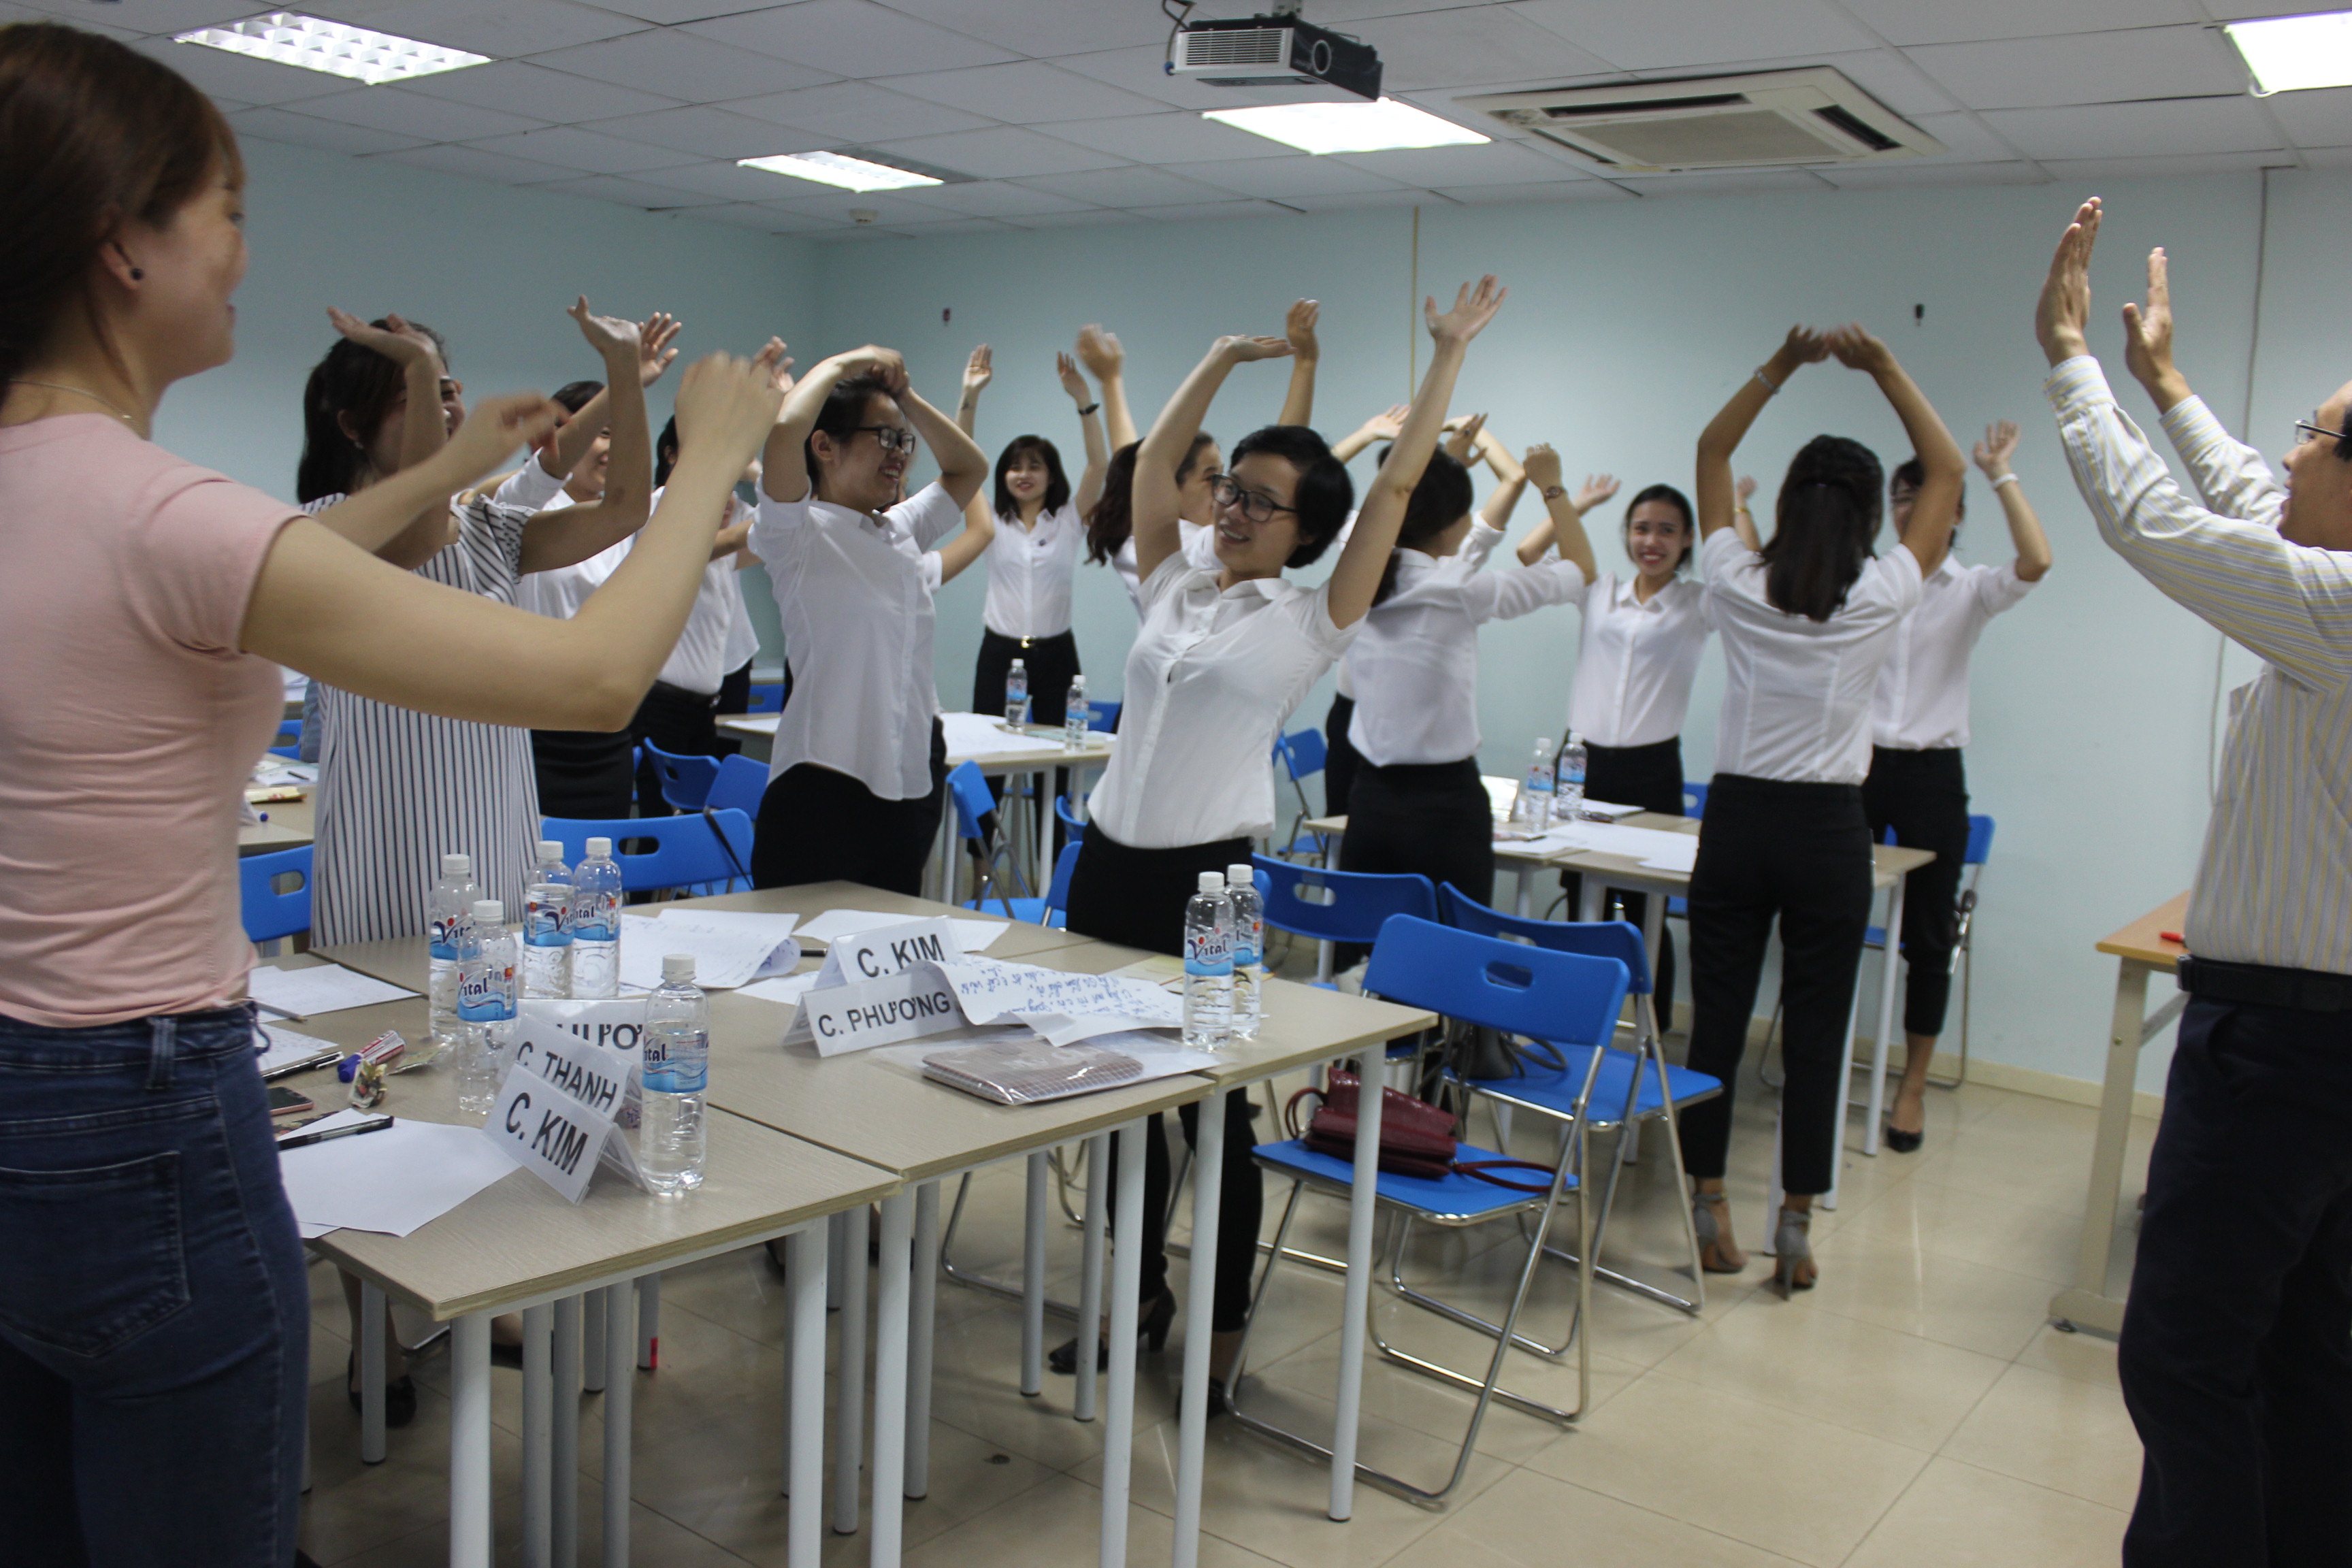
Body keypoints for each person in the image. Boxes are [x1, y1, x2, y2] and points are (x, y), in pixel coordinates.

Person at [0, 22, 783, 1562]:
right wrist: (714, 455)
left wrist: (449, 458)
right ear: (123, 245)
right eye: (226, 211)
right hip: (140, 1095)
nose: (243, 252)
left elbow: (330, 547)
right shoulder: (171, 517)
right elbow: (591, 679)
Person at [1056, 277, 1508, 1401]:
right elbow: (1150, 469)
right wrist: (1218, 357)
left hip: (1210, 888)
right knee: (1109, 1106)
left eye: (1264, 502)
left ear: (1307, 532)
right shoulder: (1172, 584)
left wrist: (1447, 356)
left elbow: (1396, 483)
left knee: (1215, 1114)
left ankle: (1218, 1331)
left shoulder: (1311, 619)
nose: (1235, 510)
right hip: (1105, 872)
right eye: (1232, 490)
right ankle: (1136, 1292)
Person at [2037, 197, 2352, 1568]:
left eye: (2315, 433)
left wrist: (2071, 362)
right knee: (2306, 1350)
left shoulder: (2340, 610)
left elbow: (2160, 526)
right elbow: (2248, 505)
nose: (2288, 451)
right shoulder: (2330, 592)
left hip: (2284, 1050)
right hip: (2318, 1046)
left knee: (2183, 1356)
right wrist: (2165, 382)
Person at [1677, 322, 1963, 1296]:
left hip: (1738, 824)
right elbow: (1948, 471)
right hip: (1830, 831)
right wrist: (1883, 366)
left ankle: (1708, 1204)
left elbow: (1712, 448)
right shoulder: (1882, 592)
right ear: (1870, 516)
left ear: (1788, 503)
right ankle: (1794, 1223)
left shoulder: (1735, 579)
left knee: (1716, 1025)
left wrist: (1782, 365)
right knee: (1817, 1030)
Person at [298, 296, 663, 945]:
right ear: (352, 426)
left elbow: (626, 510)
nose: (442, 411)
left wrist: (623, 372)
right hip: (386, 843)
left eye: (447, 391)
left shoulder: (486, 527)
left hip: (494, 831)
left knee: (494, 991)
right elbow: (417, 535)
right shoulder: (327, 527)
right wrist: (424, 368)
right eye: (413, 396)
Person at [1863, 420, 2051, 1151]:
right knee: (1828, 918)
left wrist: (2000, 472)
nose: (1910, 509)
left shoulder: (1970, 589)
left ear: (1956, 511)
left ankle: (1911, 1087)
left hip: (1932, 776)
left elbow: (2037, 561)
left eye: (1926, 496)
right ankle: (1820, 1067)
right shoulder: (1867, 581)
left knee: (1929, 938)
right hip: (1857, 768)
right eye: (1901, 497)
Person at [747, 346, 990, 894]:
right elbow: (784, 429)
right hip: (821, 788)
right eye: (883, 437)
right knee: (804, 944)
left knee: (890, 943)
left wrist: (906, 398)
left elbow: (969, 468)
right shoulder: (796, 532)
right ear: (825, 446)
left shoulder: (902, 529)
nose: (898, 453)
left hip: (906, 787)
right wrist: (847, 363)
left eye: (903, 440)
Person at [1340, 440, 1579, 907]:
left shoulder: (1357, 575)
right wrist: (1554, 487)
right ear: (1446, 522)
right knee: (1452, 943)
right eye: (1466, 512)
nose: (1471, 522)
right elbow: (1581, 570)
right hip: (1444, 807)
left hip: (1370, 800)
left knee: (1368, 942)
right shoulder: (1460, 589)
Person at [1516, 469, 1708, 1022]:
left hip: (1652, 767)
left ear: (1687, 540)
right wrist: (1577, 504)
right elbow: (1530, 552)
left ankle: (1651, 1028)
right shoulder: (1599, 590)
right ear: (1627, 533)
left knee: (1648, 905)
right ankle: (1577, 1017)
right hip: (1583, 763)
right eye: (1641, 528)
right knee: (1582, 895)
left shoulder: (1698, 603)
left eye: (1667, 531)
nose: (1652, 541)